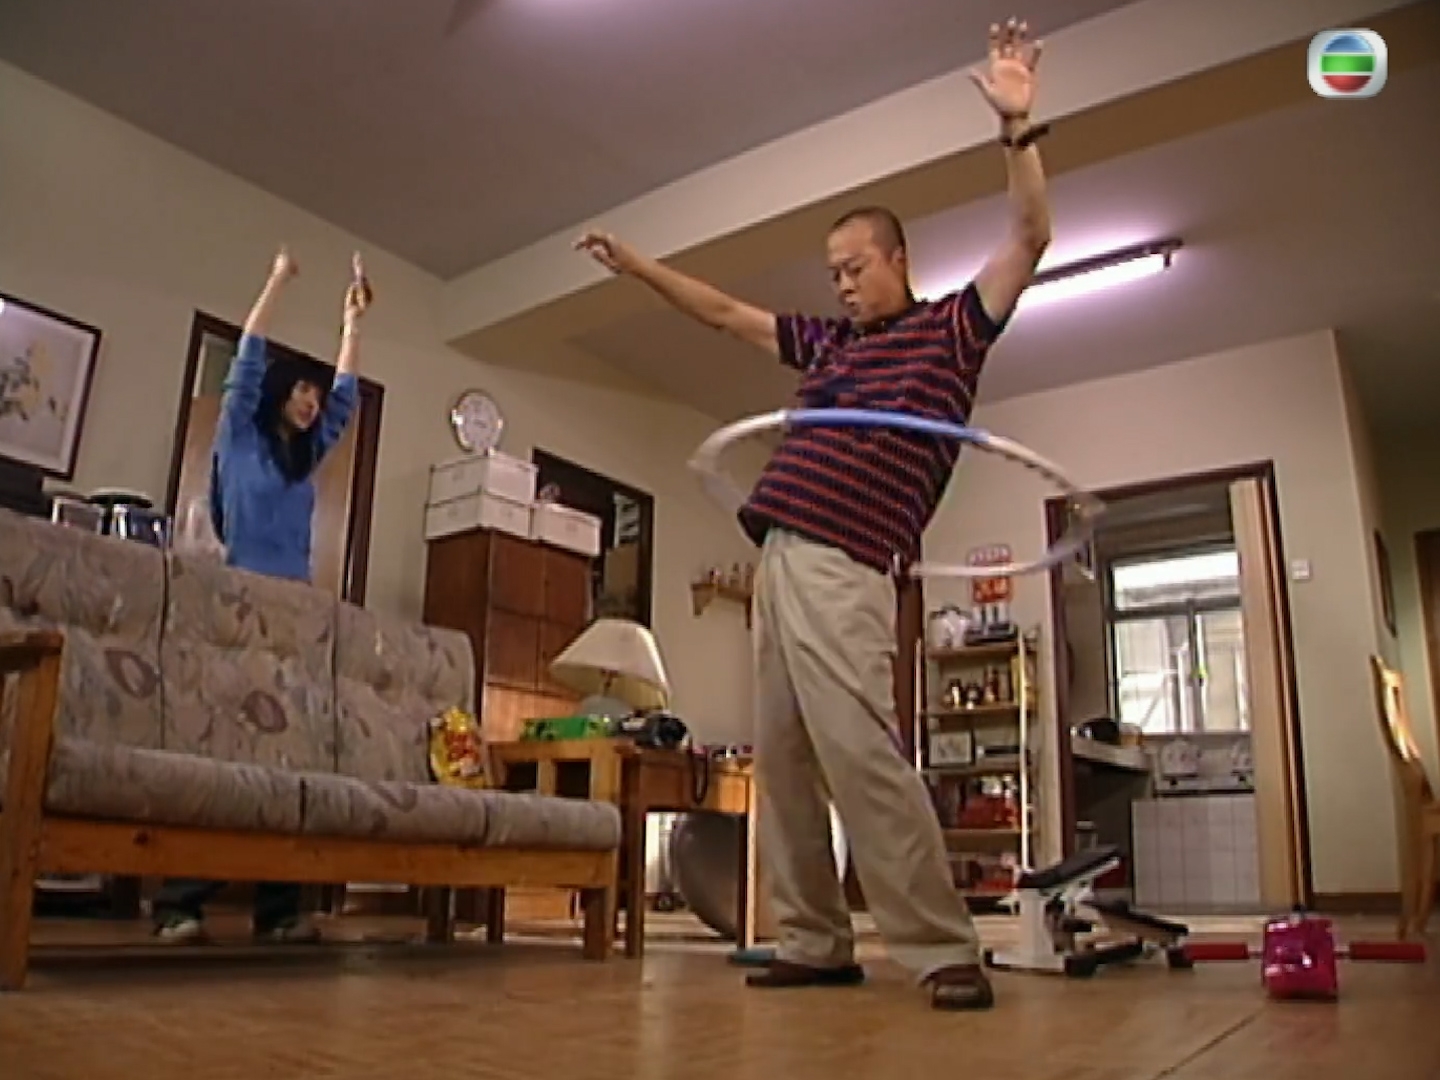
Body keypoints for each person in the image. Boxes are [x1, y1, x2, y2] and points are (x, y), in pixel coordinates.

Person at [574, 18, 1050, 1010]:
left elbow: (1029, 239)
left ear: (896, 256)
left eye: (853, 265)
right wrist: (639, 267)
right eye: (831, 271)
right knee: (783, 763)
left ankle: (940, 947)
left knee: (860, 752)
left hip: (849, 559)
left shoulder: (950, 331)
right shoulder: (831, 345)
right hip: (778, 557)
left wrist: (1016, 129)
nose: (840, 282)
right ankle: (815, 939)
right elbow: (722, 313)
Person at [152, 247, 371, 944]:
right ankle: (180, 903)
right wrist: (277, 279)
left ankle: (278, 912)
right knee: (229, 757)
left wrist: (351, 324)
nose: (312, 402)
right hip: (235, 608)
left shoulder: (305, 460)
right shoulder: (237, 435)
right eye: (302, 389)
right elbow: (246, 356)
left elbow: (347, 401)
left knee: (289, 762)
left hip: (295, 617)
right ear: (279, 389)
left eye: (315, 394)